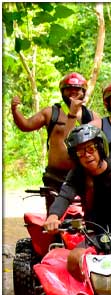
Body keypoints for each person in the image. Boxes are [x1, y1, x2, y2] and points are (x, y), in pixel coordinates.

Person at [43, 125, 111, 282]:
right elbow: (64, 196)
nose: (87, 155)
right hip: (95, 232)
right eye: (80, 152)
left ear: (100, 148)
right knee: (74, 259)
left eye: (90, 148)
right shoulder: (77, 175)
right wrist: (53, 216)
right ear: (75, 156)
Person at [10, 72, 100, 212]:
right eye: (69, 88)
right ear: (62, 91)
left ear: (83, 91)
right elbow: (26, 125)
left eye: (77, 89)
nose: (73, 92)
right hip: (55, 177)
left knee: (88, 219)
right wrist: (15, 111)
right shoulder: (51, 113)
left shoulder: (93, 116)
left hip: (85, 175)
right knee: (54, 219)